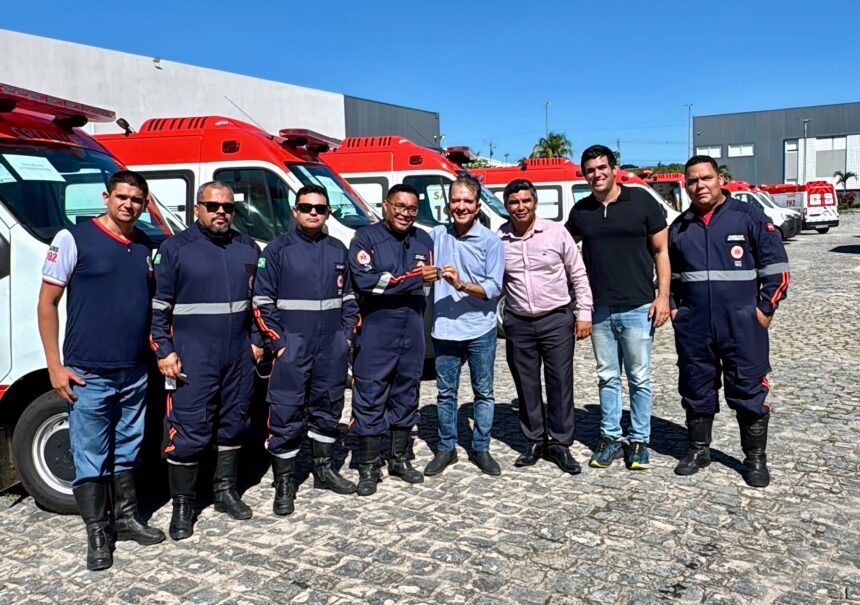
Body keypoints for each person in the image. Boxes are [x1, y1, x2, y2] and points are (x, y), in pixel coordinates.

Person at [38, 170, 165, 571]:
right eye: (122, 197)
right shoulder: (73, 238)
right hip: (87, 372)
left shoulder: (144, 245)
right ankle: (97, 532)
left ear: (145, 204)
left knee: (127, 447)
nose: (129, 204)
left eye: (137, 200)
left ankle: (126, 519)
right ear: (106, 197)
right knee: (91, 455)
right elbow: (46, 303)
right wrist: (55, 366)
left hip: (134, 370)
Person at [150, 181, 262, 539]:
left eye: (227, 207)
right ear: (197, 208)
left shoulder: (247, 247)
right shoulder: (176, 248)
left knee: (235, 422)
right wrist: (164, 350)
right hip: (192, 355)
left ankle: (225, 490)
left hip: (238, 353)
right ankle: (183, 505)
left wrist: (257, 341)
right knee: (189, 429)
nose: (221, 212)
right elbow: (158, 308)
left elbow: (258, 303)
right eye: (213, 206)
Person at [669, 156, 789, 488]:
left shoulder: (749, 217)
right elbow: (670, 278)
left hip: (742, 325)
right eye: (692, 181)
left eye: (706, 178)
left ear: (720, 179)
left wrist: (764, 309)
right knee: (695, 387)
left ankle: (755, 458)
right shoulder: (679, 228)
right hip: (695, 326)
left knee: (748, 388)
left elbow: (777, 269)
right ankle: (698, 450)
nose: (700, 185)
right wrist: (676, 310)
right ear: (685, 186)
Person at [253, 184, 359, 515]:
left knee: (328, 406)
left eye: (320, 208)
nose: (313, 212)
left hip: (331, 346)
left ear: (327, 213)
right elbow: (261, 301)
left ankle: (324, 470)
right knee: (285, 411)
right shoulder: (277, 250)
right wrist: (278, 343)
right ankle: (285, 482)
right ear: (295, 211)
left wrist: (346, 338)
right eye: (307, 207)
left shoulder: (338, 249)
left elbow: (350, 298)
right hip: (292, 346)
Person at [565, 145, 670, 471]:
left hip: (639, 306)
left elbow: (662, 251)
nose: (596, 174)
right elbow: (562, 250)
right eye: (590, 170)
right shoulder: (581, 211)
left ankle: (639, 441)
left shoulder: (642, 201)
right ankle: (610, 437)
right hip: (599, 309)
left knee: (639, 377)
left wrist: (663, 296)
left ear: (614, 169)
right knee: (607, 377)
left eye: (601, 168)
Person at [498, 179, 593, 475]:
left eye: (526, 200)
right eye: (514, 202)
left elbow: (578, 274)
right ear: (506, 206)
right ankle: (535, 440)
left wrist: (584, 313)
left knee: (560, 382)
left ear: (535, 202)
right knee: (525, 383)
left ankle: (560, 443)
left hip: (556, 319)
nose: (520, 206)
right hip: (518, 322)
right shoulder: (499, 239)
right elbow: (493, 280)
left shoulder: (556, 232)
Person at [348, 184, 437, 496]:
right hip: (377, 327)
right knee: (370, 393)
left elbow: (426, 287)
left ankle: (399, 458)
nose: (405, 213)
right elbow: (367, 282)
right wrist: (413, 278)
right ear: (385, 206)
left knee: (407, 391)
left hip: (412, 326)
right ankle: (368, 464)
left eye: (412, 208)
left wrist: (410, 283)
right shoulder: (365, 238)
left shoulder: (424, 240)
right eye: (399, 206)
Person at [423, 176, 505, 477]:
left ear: (477, 206)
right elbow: (416, 260)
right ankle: (447, 448)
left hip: (480, 328)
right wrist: (423, 271)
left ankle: (481, 448)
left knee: (483, 392)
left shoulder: (491, 241)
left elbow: (493, 289)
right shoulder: (435, 236)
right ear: (447, 206)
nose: (461, 206)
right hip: (445, 329)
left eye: (467, 201)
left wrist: (460, 284)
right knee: (446, 393)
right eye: (456, 201)